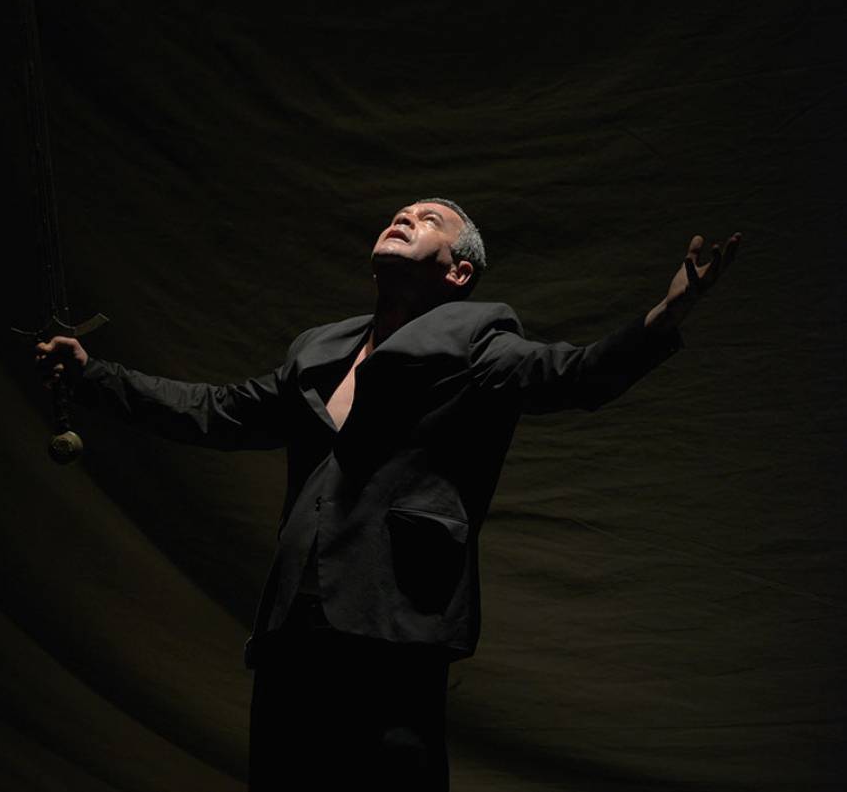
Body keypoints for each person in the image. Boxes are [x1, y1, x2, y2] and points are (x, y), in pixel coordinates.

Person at [37, 198, 741, 791]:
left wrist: (666, 315)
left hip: (394, 612)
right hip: (296, 619)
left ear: (459, 270)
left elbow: (574, 374)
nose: (404, 218)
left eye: (429, 219)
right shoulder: (320, 350)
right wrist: (95, 375)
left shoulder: (480, 337)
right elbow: (217, 411)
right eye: (400, 213)